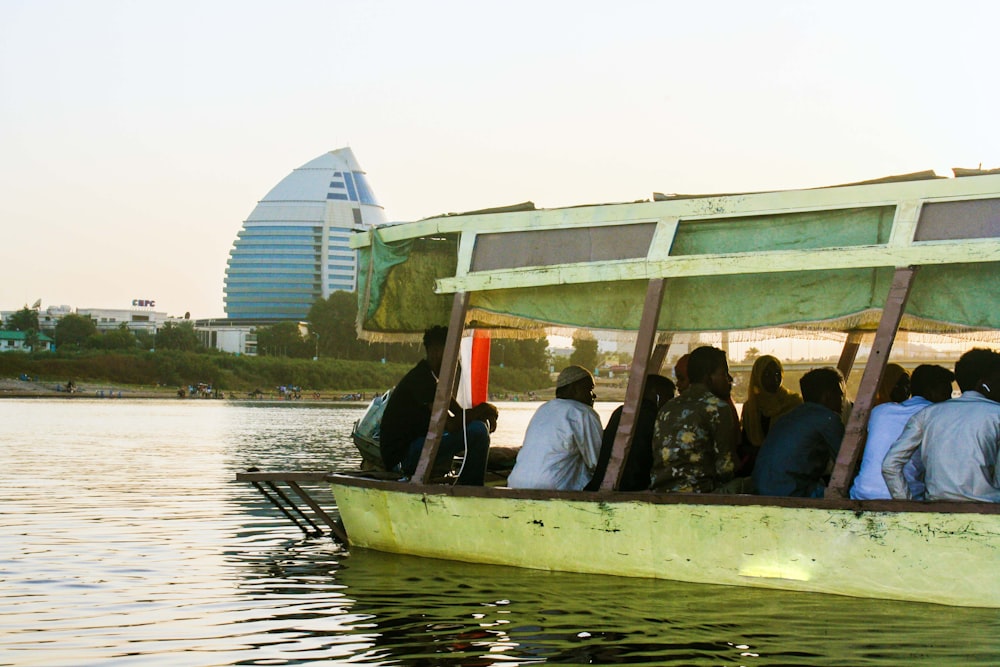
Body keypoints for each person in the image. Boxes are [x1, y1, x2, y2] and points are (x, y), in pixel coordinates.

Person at [380, 326, 498, 485]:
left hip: (419, 447)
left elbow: (460, 414)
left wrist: (484, 413)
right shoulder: (421, 379)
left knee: (477, 426)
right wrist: (483, 410)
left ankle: (467, 482)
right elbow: (450, 424)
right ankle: (470, 487)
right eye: (452, 353)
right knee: (477, 432)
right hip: (403, 459)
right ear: (436, 351)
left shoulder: (435, 380)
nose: (455, 358)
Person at [882, 348, 1000, 502]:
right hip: (989, 514)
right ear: (984, 384)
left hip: (936, 514)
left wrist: (908, 505)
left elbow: (890, 464)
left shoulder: (928, 414)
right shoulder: (996, 414)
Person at [849, 364, 954, 500]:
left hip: (861, 494)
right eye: (946, 394)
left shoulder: (880, 411)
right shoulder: (935, 414)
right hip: (903, 498)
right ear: (931, 391)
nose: (950, 400)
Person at [650, 346, 737, 493]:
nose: (729, 379)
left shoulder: (668, 407)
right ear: (708, 377)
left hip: (662, 493)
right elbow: (725, 469)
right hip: (699, 494)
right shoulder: (718, 408)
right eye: (724, 373)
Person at [752, 367, 845, 498]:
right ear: (827, 396)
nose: (842, 401)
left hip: (762, 488)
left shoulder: (792, 415)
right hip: (788, 492)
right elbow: (846, 463)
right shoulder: (828, 418)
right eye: (840, 395)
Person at [508, 365, 603, 491]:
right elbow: (598, 463)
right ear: (574, 389)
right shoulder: (583, 412)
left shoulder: (543, 409)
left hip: (516, 484)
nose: (593, 396)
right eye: (589, 390)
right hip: (554, 489)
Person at [585, 374, 675, 491]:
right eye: (669, 397)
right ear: (657, 396)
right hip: (633, 489)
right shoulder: (654, 417)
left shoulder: (621, 412)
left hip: (601, 486)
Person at [738, 355, 802, 475]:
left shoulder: (794, 403)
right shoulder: (751, 407)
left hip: (788, 467)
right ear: (758, 377)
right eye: (767, 375)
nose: (774, 379)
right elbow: (744, 443)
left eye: (777, 374)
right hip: (758, 469)